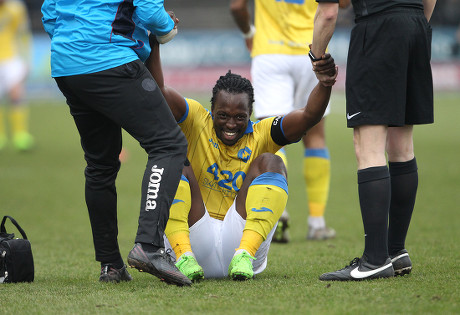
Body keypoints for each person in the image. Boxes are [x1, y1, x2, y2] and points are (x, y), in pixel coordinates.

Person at [146, 34, 338, 281]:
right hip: (193, 242)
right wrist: (153, 40)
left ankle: (245, 254)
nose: (230, 124)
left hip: (239, 245)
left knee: (273, 162)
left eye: (240, 117)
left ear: (251, 114)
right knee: (175, 161)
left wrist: (325, 83)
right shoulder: (195, 117)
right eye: (223, 115)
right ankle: (182, 256)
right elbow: (159, 91)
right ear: (211, 110)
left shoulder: (262, 132)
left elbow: (309, 116)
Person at [41, 2, 191, 286]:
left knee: (100, 164)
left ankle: (111, 265)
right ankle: (148, 246)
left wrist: (75, 42)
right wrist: (168, 27)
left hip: (66, 64)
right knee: (168, 144)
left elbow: (49, 13)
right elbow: (149, 11)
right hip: (108, 58)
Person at [317, 0, 437, 280]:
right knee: (402, 146)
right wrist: (417, 24)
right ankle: (395, 251)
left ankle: (374, 260)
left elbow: (329, 12)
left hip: (378, 28)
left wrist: (317, 57)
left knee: (368, 147)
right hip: (416, 26)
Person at [230, 0, 349, 242]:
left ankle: (277, 212)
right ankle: (317, 223)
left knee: (272, 139)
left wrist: (248, 32)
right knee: (315, 137)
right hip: (311, 49)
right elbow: (344, 3)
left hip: (270, 51)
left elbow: (237, 6)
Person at [0, 0, 34, 151]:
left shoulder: (16, 8)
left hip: (11, 59)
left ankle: (20, 136)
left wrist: (27, 60)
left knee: (16, 93)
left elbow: (23, 33)